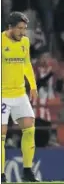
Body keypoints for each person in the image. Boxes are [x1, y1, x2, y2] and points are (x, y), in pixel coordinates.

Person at [1, 12, 39, 182]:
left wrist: (33, 85)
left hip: (19, 93)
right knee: (1, 135)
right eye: (20, 29)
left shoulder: (24, 42)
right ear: (10, 27)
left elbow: (26, 63)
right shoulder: (1, 41)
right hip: (2, 94)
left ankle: (28, 171)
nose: (23, 32)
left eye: (25, 28)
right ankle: (1, 175)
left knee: (30, 128)